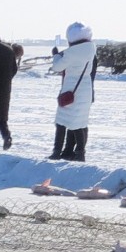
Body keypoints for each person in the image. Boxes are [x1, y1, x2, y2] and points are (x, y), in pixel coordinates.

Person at [50, 21, 96, 161]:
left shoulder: (71, 53)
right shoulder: (91, 50)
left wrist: (56, 56)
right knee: (80, 123)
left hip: (70, 90)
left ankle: (57, 152)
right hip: (86, 89)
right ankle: (80, 153)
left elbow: (57, 67)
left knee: (61, 122)